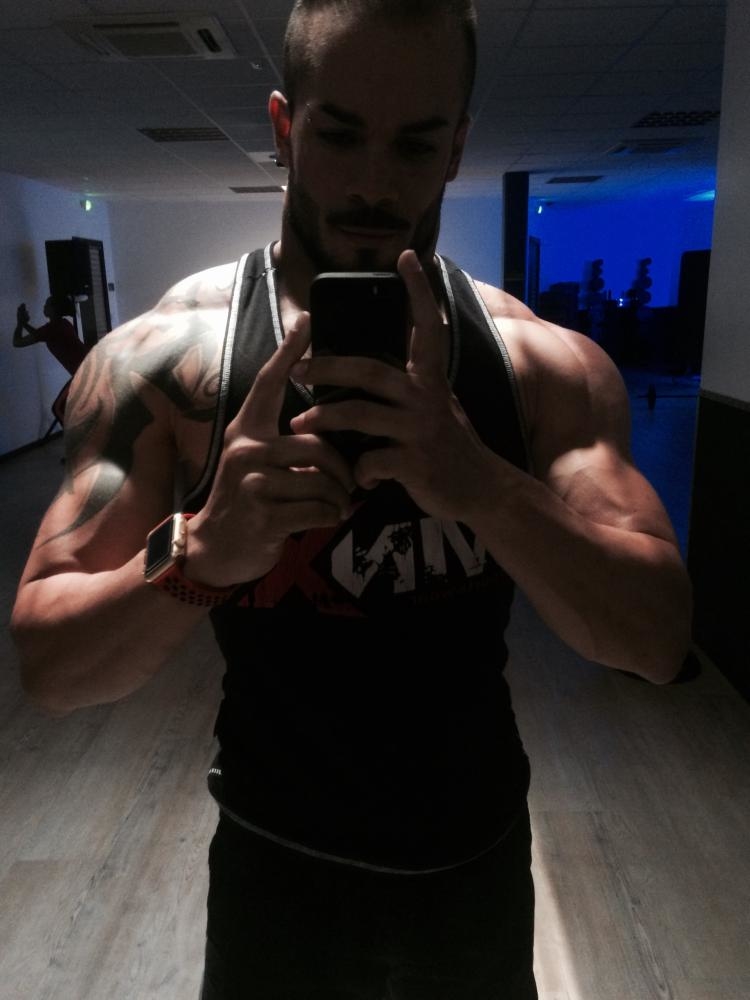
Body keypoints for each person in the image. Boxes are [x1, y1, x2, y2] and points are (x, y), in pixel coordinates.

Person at [10, 1, 693, 997]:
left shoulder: (541, 366)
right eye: (340, 136)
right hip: (273, 872)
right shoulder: (165, 359)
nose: (376, 182)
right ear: (286, 129)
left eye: (415, 144)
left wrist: (485, 488)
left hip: (473, 871)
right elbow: (49, 664)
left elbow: (658, 640)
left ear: (456, 148)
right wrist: (200, 550)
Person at [13, 295, 89, 377]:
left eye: (47, 304)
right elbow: (39, 335)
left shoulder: (52, 329)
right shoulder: (63, 323)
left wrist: (20, 323)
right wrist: (24, 324)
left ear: (54, 309)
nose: (44, 306)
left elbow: (17, 342)